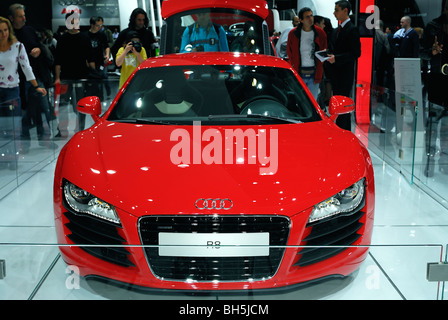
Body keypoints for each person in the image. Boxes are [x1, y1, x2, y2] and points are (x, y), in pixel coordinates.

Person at [8, 3, 50, 142]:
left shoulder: (30, 30)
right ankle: (24, 141)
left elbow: (39, 47)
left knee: (42, 108)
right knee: (22, 111)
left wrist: (38, 50)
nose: (23, 19)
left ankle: (44, 138)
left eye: (24, 16)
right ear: (12, 18)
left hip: (34, 76)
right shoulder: (8, 35)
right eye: (20, 16)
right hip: (16, 79)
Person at [0, 17, 46, 140]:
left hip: (12, 91)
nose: (3, 34)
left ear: (9, 30)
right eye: (0, 31)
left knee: (13, 127)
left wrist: (36, 86)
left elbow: (26, 67)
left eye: (5, 30)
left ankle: (13, 157)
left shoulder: (18, 46)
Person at [54, 10, 95, 137]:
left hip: (82, 76)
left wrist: (94, 74)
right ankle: (62, 129)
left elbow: (90, 58)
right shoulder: (62, 39)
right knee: (63, 105)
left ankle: (80, 128)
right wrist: (57, 78)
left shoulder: (84, 37)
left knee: (80, 105)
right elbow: (58, 60)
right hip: (66, 77)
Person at [326, 0, 361, 131]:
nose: (334, 13)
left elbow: (356, 53)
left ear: (345, 10)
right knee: (336, 102)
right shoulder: (336, 30)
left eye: (336, 10)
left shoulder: (352, 29)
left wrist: (337, 58)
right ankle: (338, 130)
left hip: (345, 74)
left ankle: (344, 131)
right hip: (335, 73)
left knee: (343, 104)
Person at [423, 0, 448, 175]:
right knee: (432, 122)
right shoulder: (433, 26)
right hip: (437, 80)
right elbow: (421, 51)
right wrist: (431, 51)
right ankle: (429, 162)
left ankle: (444, 162)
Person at [287, 7, 327, 100]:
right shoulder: (293, 34)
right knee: (299, 102)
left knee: (312, 102)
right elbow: (290, 52)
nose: (311, 19)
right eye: (307, 17)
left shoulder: (320, 33)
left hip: (314, 74)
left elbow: (324, 51)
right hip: (299, 73)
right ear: (301, 20)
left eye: (311, 16)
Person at [87, 16, 110, 98]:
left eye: (101, 26)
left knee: (101, 79)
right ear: (92, 25)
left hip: (100, 62)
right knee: (91, 84)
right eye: (98, 25)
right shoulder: (86, 35)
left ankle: (101, 98)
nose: (100, 27)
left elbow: (107, 46)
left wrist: (107, 55)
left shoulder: (102, 34)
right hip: (89, 64)